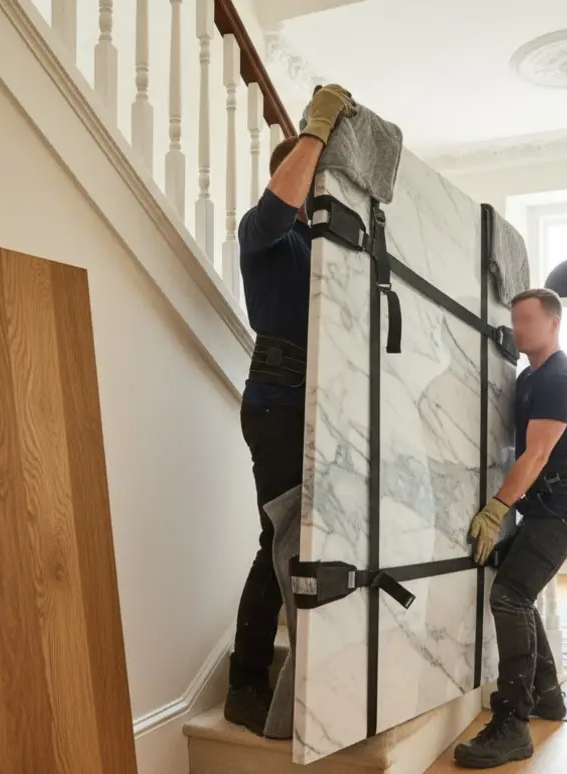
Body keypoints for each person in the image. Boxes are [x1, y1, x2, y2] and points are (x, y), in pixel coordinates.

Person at [222, 84, 356, 736]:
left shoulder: (321, 250)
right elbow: (278, 210)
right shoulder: (264, 236)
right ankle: (245, 684)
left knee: (294, 546)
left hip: (316, 409)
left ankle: (275, 675)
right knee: (279, 545)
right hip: (276, 407)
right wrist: (317, 130)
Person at [457, 288, 567, 769]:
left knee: (510, 594)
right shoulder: (529, 376)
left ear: (554, 324)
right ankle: (547, 696)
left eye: (526, 320)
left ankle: (513, 724)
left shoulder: (559, 379)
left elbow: (536, 454)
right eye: (513, 319)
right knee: (516, 585)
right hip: (547, 505)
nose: (517, 328)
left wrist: (497, 508)